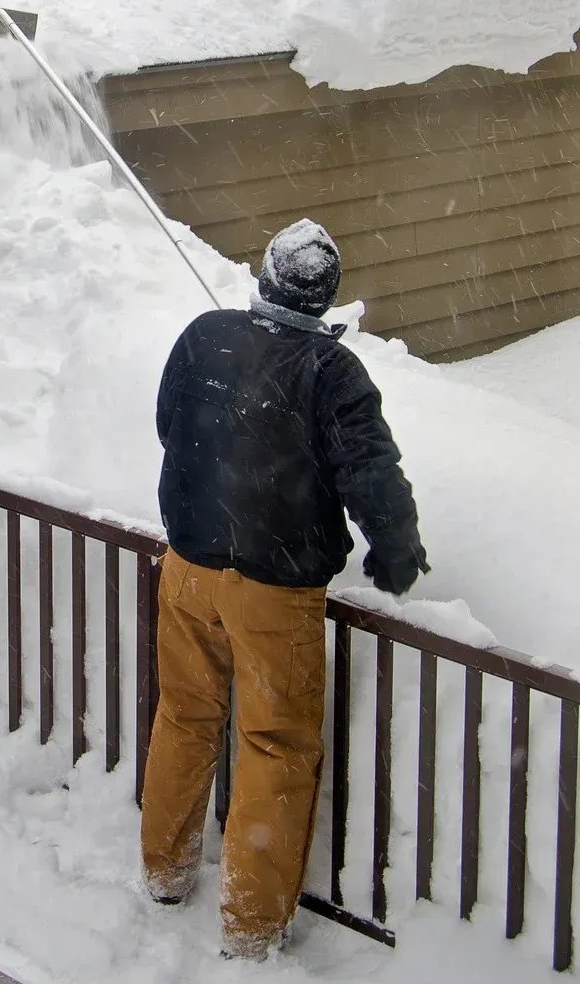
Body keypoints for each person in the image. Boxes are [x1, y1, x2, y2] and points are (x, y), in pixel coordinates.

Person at [140, 218, 428, 961]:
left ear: (264, 278)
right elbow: (371, 473)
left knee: (184, 716)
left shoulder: (205, 336)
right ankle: (251, 924)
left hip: (188, 568)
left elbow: (169, 425)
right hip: (273, 590)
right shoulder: (332, 374)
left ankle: (164, 871)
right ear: (324, 298)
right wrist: (396, 556)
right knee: (274, 745)